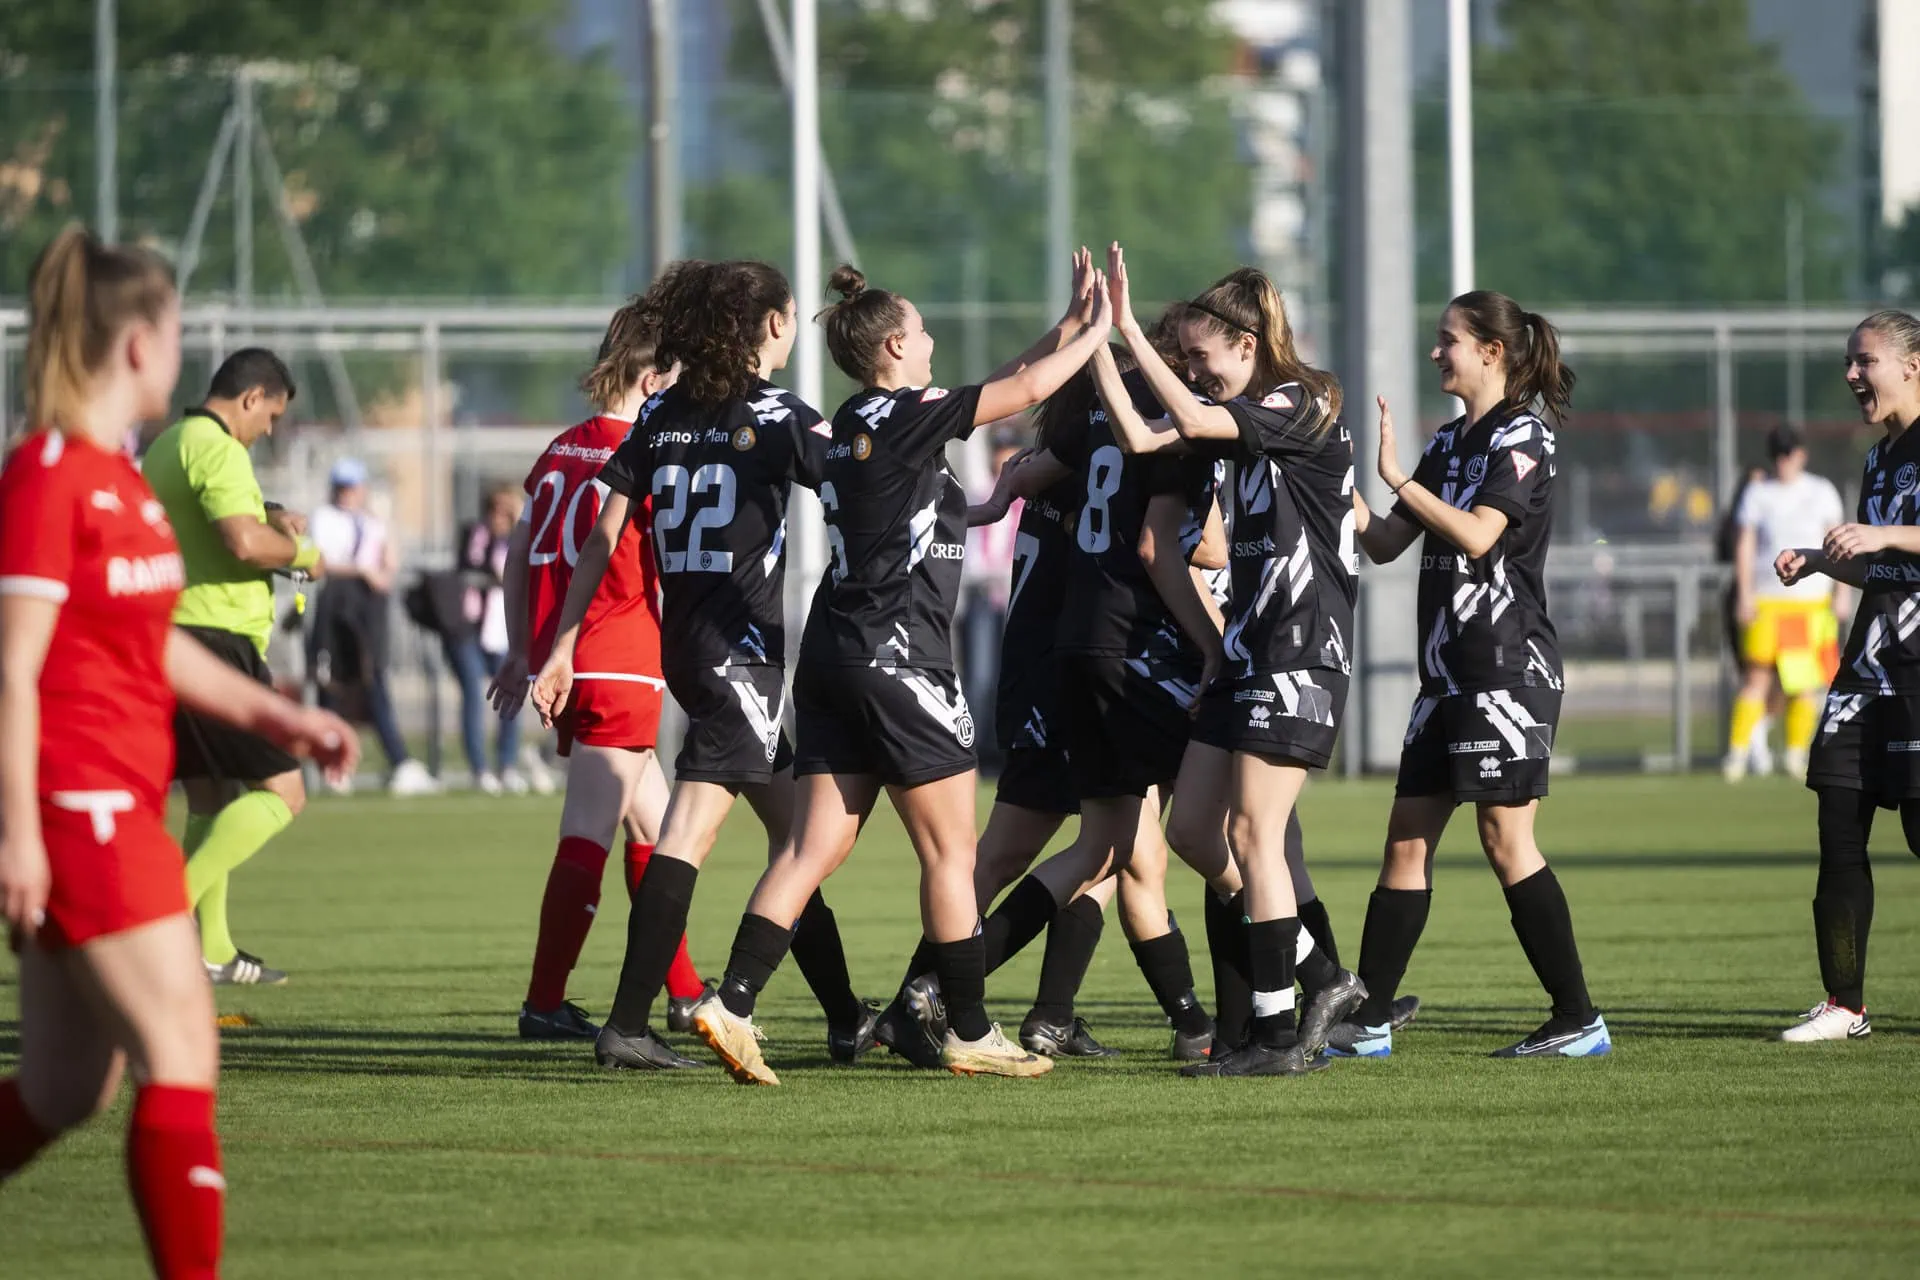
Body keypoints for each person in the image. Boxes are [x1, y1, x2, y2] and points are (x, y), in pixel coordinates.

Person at [0, 224, 356, 1280]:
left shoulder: (119, 479)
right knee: (183, 1053)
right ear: (144, 345)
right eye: (178, 325)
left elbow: (149, 641)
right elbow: (13, 667)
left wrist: (284, 719)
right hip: (80, 812)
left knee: (67, 1090)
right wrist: (20, 832)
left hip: (111, 800)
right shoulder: (49, 476)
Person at [678, 258, 1118, 1085]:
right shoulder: (912, 413)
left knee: (810, 851)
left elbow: (997, 385)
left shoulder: (853, 419)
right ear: (892, 345)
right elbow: (1018, 392)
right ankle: (971, 1031)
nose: (933, 342)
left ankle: (730, 1003)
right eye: (920, 332)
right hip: (900, 659)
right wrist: (1098, 334)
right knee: (953, 854)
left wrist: (1067, 321)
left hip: (833, 657)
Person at [533, 259, 869, 1073]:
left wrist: (561, 644)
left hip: (687, 648)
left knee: (799, 841)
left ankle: (845, 1015)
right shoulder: (782, 413)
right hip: (740, 656)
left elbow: (605, 538)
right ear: (772, 326)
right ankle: (627, 1024)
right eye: (787, 316)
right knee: (691, 834)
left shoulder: (664, 416)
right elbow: (860, 487)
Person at [1090, 246, 1362, 1077]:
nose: (1196, 374)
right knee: (1197, 831)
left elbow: (1202, 420)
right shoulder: (1231, 419)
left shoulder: (1298, 399)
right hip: (1246, 649)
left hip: (1299, 647)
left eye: (1204, 358)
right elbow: (1144, 436)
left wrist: (1133, 329)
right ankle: (1321, 976)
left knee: (1255, 834)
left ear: (1248, 346)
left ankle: (1277, 1034)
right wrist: (1094, 340)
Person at [1339, 290, 1608, 1059]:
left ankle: (1577, 1018)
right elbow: (1389, 541)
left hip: (1506, 669)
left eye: (1446, 340)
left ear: (1492, 351)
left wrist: (1400, 478)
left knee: (1505, 838)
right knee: (1405, 844)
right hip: (1447, 674)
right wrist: (1338, 478)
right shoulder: (1451, 441)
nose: (1435, 353)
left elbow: (1482, 537)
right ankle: (1369, 1022)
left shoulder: (1524, 435)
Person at [490, 295, 709, 1041]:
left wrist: (524, 649)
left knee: (657, 822)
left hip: (568, 653)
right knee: (591, 827)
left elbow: (518, 557)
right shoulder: (644, 457)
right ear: (654, 384)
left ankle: (684, 992)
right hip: (619, 652)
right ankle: (544, 1002)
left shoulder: (559, 449)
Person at [142, 347, 317, 986]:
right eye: (270, 415)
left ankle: (209, 950)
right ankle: (164, 919)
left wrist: (269, 513)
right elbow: (242, 542)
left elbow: (215, 519)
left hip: (175, 638)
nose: (268, 429)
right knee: (285, 792)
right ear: (250, 398)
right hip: (217, 642)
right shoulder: (217, 446)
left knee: (212, 798)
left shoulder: (169, 444)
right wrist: (303, 552)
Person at [1774, 308, 1920, 1042]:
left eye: (1864, 361)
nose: (1852, 375)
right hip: (1867, 668)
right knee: (1838, 828)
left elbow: (1895, 541)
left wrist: (1884, 533)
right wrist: (1822, 560)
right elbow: (1883, 564)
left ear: (1911, 365)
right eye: (1849, 362)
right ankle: (1845, 1004)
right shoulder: (1877, 460)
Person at [1723, 427, 1846, 782]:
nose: (1784, 461)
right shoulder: (1759, 494)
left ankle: (1795, 753)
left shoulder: (1821, 492)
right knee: (1755, 679)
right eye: (1778, 454)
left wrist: (1841, 593)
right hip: (1768, 602)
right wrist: (1744, 593)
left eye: (1789, 453)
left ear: (1802, 454)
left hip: (1809, 604)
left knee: (1803, 684)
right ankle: (1738, 754)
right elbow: (1745, 545)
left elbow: (1836, 541)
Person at [309, 459, 436, 796]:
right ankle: (332, 762)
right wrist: (363, 571)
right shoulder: (325, 518)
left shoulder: (371, 522)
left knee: (373, 679)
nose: (347, 495)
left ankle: (399, 761)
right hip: (338, 600)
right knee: (332, 681)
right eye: (342, 487)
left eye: (353, 488)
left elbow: (389, 564)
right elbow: (323, 561)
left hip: (369, 608)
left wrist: (384, 524)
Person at [451, 484, 526, 794]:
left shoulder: (522, 536)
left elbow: (525, 566)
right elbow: (468, 567)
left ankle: (507, 764)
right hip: (470, 628)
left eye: (506, 510)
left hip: (506, 630)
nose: (499, 516)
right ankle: (479, 768)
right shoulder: (474, 533)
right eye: (495, 508)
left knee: (510, 696)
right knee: (473, 692)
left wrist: (518, 521)